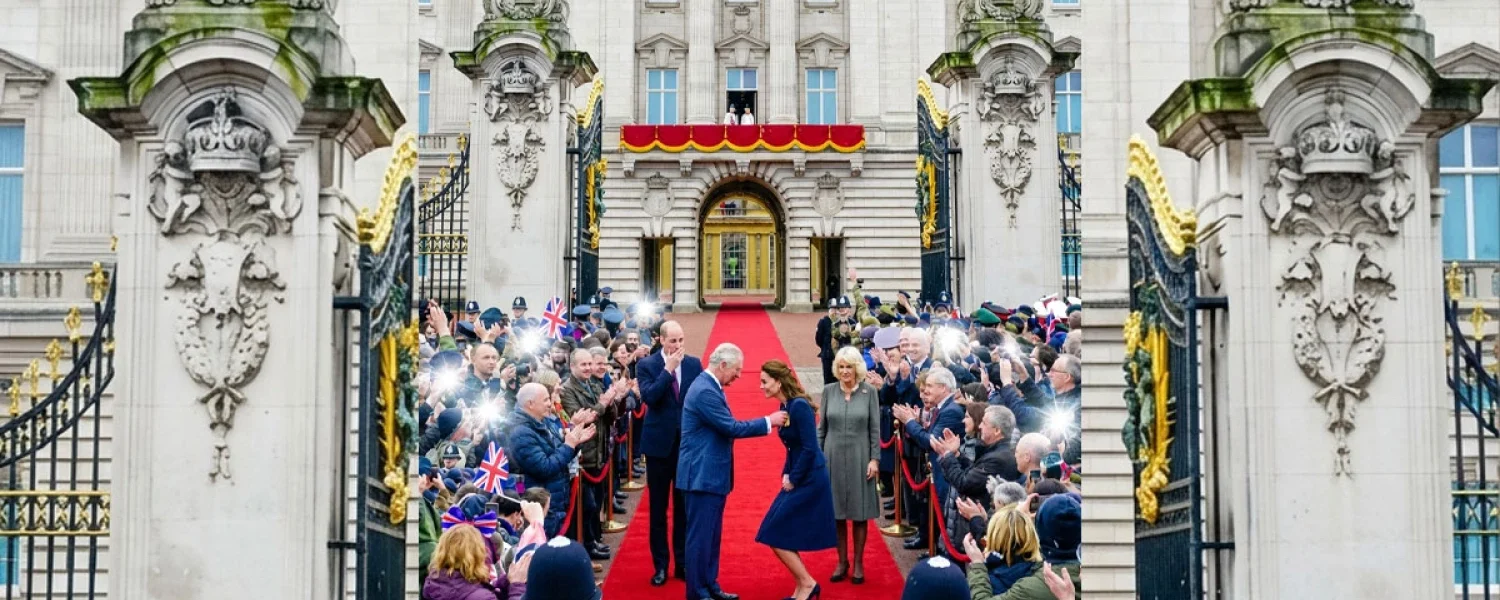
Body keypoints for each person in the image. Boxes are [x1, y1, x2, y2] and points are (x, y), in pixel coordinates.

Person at [677, 343, 788, 600]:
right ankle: (697, 591)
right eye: (736, 370)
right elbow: (731, 427)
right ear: (722, 365)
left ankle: (709, 585)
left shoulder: (710, 386)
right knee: (700, 538)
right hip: (701, 476)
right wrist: (767, 422)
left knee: (711, 537)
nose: (739, 376)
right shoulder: (705, 390)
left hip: (710, 475)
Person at [755, 360, 837, 600]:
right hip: (799, 475)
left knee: (773, 530)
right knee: (773, 529)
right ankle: (805, 585)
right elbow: (794, 448)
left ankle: (807, 584)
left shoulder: (799, 406)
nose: (761, 387)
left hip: (810, 478)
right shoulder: (786, 404)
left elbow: (810, 448)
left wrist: (794, 478)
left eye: (764, 382)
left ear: (778, 382)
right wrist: (786, 472)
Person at [635, 320, 702, 586]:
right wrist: (667, 370)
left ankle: (683, 564)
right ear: (661, 340)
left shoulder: (694, 364)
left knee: (684, 507)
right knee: (658, 509)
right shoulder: (647, 365)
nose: (677, 346)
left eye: (681, 340)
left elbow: (699, 399)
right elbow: (649, 397)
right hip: (658, 448)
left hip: (686, 446)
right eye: (672, 340)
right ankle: (660, 565)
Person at [818, 347, 881, 584]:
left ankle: (858, 562)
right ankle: (841, 560)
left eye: (849, 367)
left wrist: (874, 459)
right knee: (836, 513)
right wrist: (818, 459)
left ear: (857, 368)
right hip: (831, 456)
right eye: (841, 367)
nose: (845, 371)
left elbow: (874, 429)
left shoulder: (869, 392)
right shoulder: (828, 391)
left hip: (860, 456)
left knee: (859, 512)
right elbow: (821, 428)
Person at [423, 524, 530, 600]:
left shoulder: (434, 583)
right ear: (477, 554)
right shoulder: (481, 597)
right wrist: (517, 586)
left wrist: (506, 581)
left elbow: (467, 588)